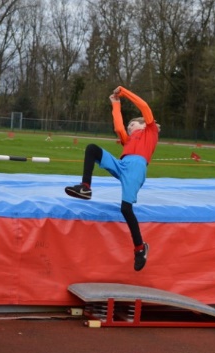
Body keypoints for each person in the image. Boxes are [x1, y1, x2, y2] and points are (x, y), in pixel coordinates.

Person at [65, 86, 160, 271]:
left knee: (126, 209)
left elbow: (144, 106)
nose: (129, 128)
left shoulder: (150, 132)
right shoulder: (129, 140)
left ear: (143, 124)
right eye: (129, 126)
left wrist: (123, 92)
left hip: (136, 168)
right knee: (92, 148)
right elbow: (118, 126)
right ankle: (85, 187)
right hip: (122, 165)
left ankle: (140, 248)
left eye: (132, 125)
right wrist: (115, 104)